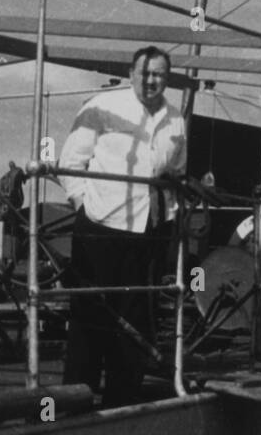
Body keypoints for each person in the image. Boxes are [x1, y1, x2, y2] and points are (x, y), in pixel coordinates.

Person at [58, 46, 186, 405]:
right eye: (144, 73)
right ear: (131, 74)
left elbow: (174, 175)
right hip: (101, 226)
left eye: (158, 74)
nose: (151, 80)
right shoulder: (102, 106)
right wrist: (85, 204)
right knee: (89, 316)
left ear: (167, 77)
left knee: (135, 319)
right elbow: (72, 161)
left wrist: (168, 225)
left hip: (147, 231)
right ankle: (75, 399)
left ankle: (123, 399)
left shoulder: (175, 120)